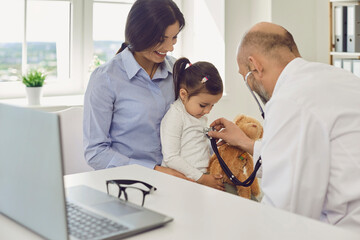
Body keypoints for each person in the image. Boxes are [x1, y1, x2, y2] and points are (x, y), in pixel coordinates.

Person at [208, 22, 360, 233]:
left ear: (255, 66)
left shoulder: (289, 100)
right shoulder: (340, 78)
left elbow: (284, 215)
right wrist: (246, 143)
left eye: (245, 77)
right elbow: (310, 154)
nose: (249, 84)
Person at [83, 0, 189, 179]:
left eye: (174, 38)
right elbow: (96, 153)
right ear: (139, 34)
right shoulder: (105, 79)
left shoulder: (178, 71)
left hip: (179, 178)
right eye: (162, 39)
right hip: (128, 184)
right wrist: (154, 170)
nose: (170, 47)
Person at [160, 57, 224, 190]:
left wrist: (211, 135)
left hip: (199, 177)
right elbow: (171, 157)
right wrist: (201, 178)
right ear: (183, 94)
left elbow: (195, 143)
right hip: (181, 181)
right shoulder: (175, 116)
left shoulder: (196, 115)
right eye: (203, 105)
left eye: (212, 105)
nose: (207, 111)